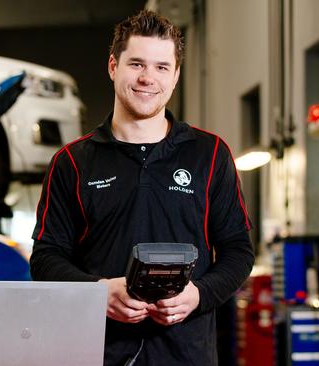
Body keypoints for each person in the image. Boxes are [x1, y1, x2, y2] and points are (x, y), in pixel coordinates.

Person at [30, 9, 254, 366]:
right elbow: (45, 258)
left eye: (162, 67)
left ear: (176, 75)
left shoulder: (209, 154)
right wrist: (97, 292)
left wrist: (198, 294)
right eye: (136, 64)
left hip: (186, 355)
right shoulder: (72, 162)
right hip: (97, 352)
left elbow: (238, 251)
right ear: (112, 67)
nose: (148, 78)